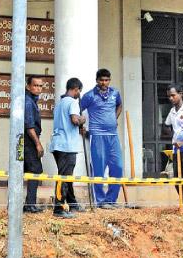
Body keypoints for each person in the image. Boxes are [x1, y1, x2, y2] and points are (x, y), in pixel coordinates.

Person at [80, 69, 124, 209]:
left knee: (117, 167)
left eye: (107, 80)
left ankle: (111, 200)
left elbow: (119, 105)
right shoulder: (89, 96)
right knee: (99, 169)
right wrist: (82, 126)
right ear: (97, 80)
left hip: (113, 136)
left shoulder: (115, 93)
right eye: (101, 80)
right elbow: (77, 109)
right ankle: (100, 201)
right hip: (97, 136)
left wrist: (114, 118)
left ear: (109, 80)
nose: (104, 83)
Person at [50, 77, 87, 218]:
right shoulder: (72, 102)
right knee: (64, 177)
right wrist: (82, 119)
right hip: (67, 145)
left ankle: (72, 204)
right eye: (79, 91)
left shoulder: (60, 103)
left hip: (58, 143)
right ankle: (58, 209)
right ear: (76, 89)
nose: (79, 94)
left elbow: (66, 123)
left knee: (67, 176)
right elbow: (74, 120)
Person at [23, 76, 45, 213]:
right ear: (28, 86)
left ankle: (27, 204)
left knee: (28, 171)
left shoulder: (32, 101)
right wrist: (38, 144)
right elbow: (29, 126)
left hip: (27, 142)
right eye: (35, 85)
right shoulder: (28, 102)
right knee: (35, 171)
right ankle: (30, 204)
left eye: (40, 86)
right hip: (29, 142)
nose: (38, 88)